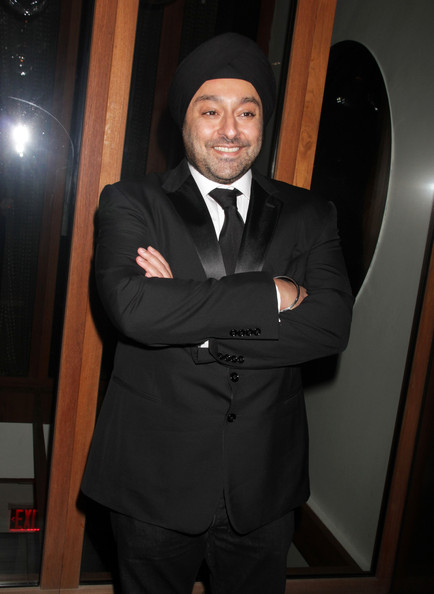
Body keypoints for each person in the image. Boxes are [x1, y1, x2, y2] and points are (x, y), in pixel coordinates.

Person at [82, 32, 353, 594]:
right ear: (184, 121)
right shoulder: (131, 202)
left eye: (246, 112)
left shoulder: (310, 213)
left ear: (262, 121)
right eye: (211, 111)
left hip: (265, 486)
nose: (230, 130)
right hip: (153, 481)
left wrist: (194, 327)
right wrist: (273, 294)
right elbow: (134, 309)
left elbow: (330, 326)